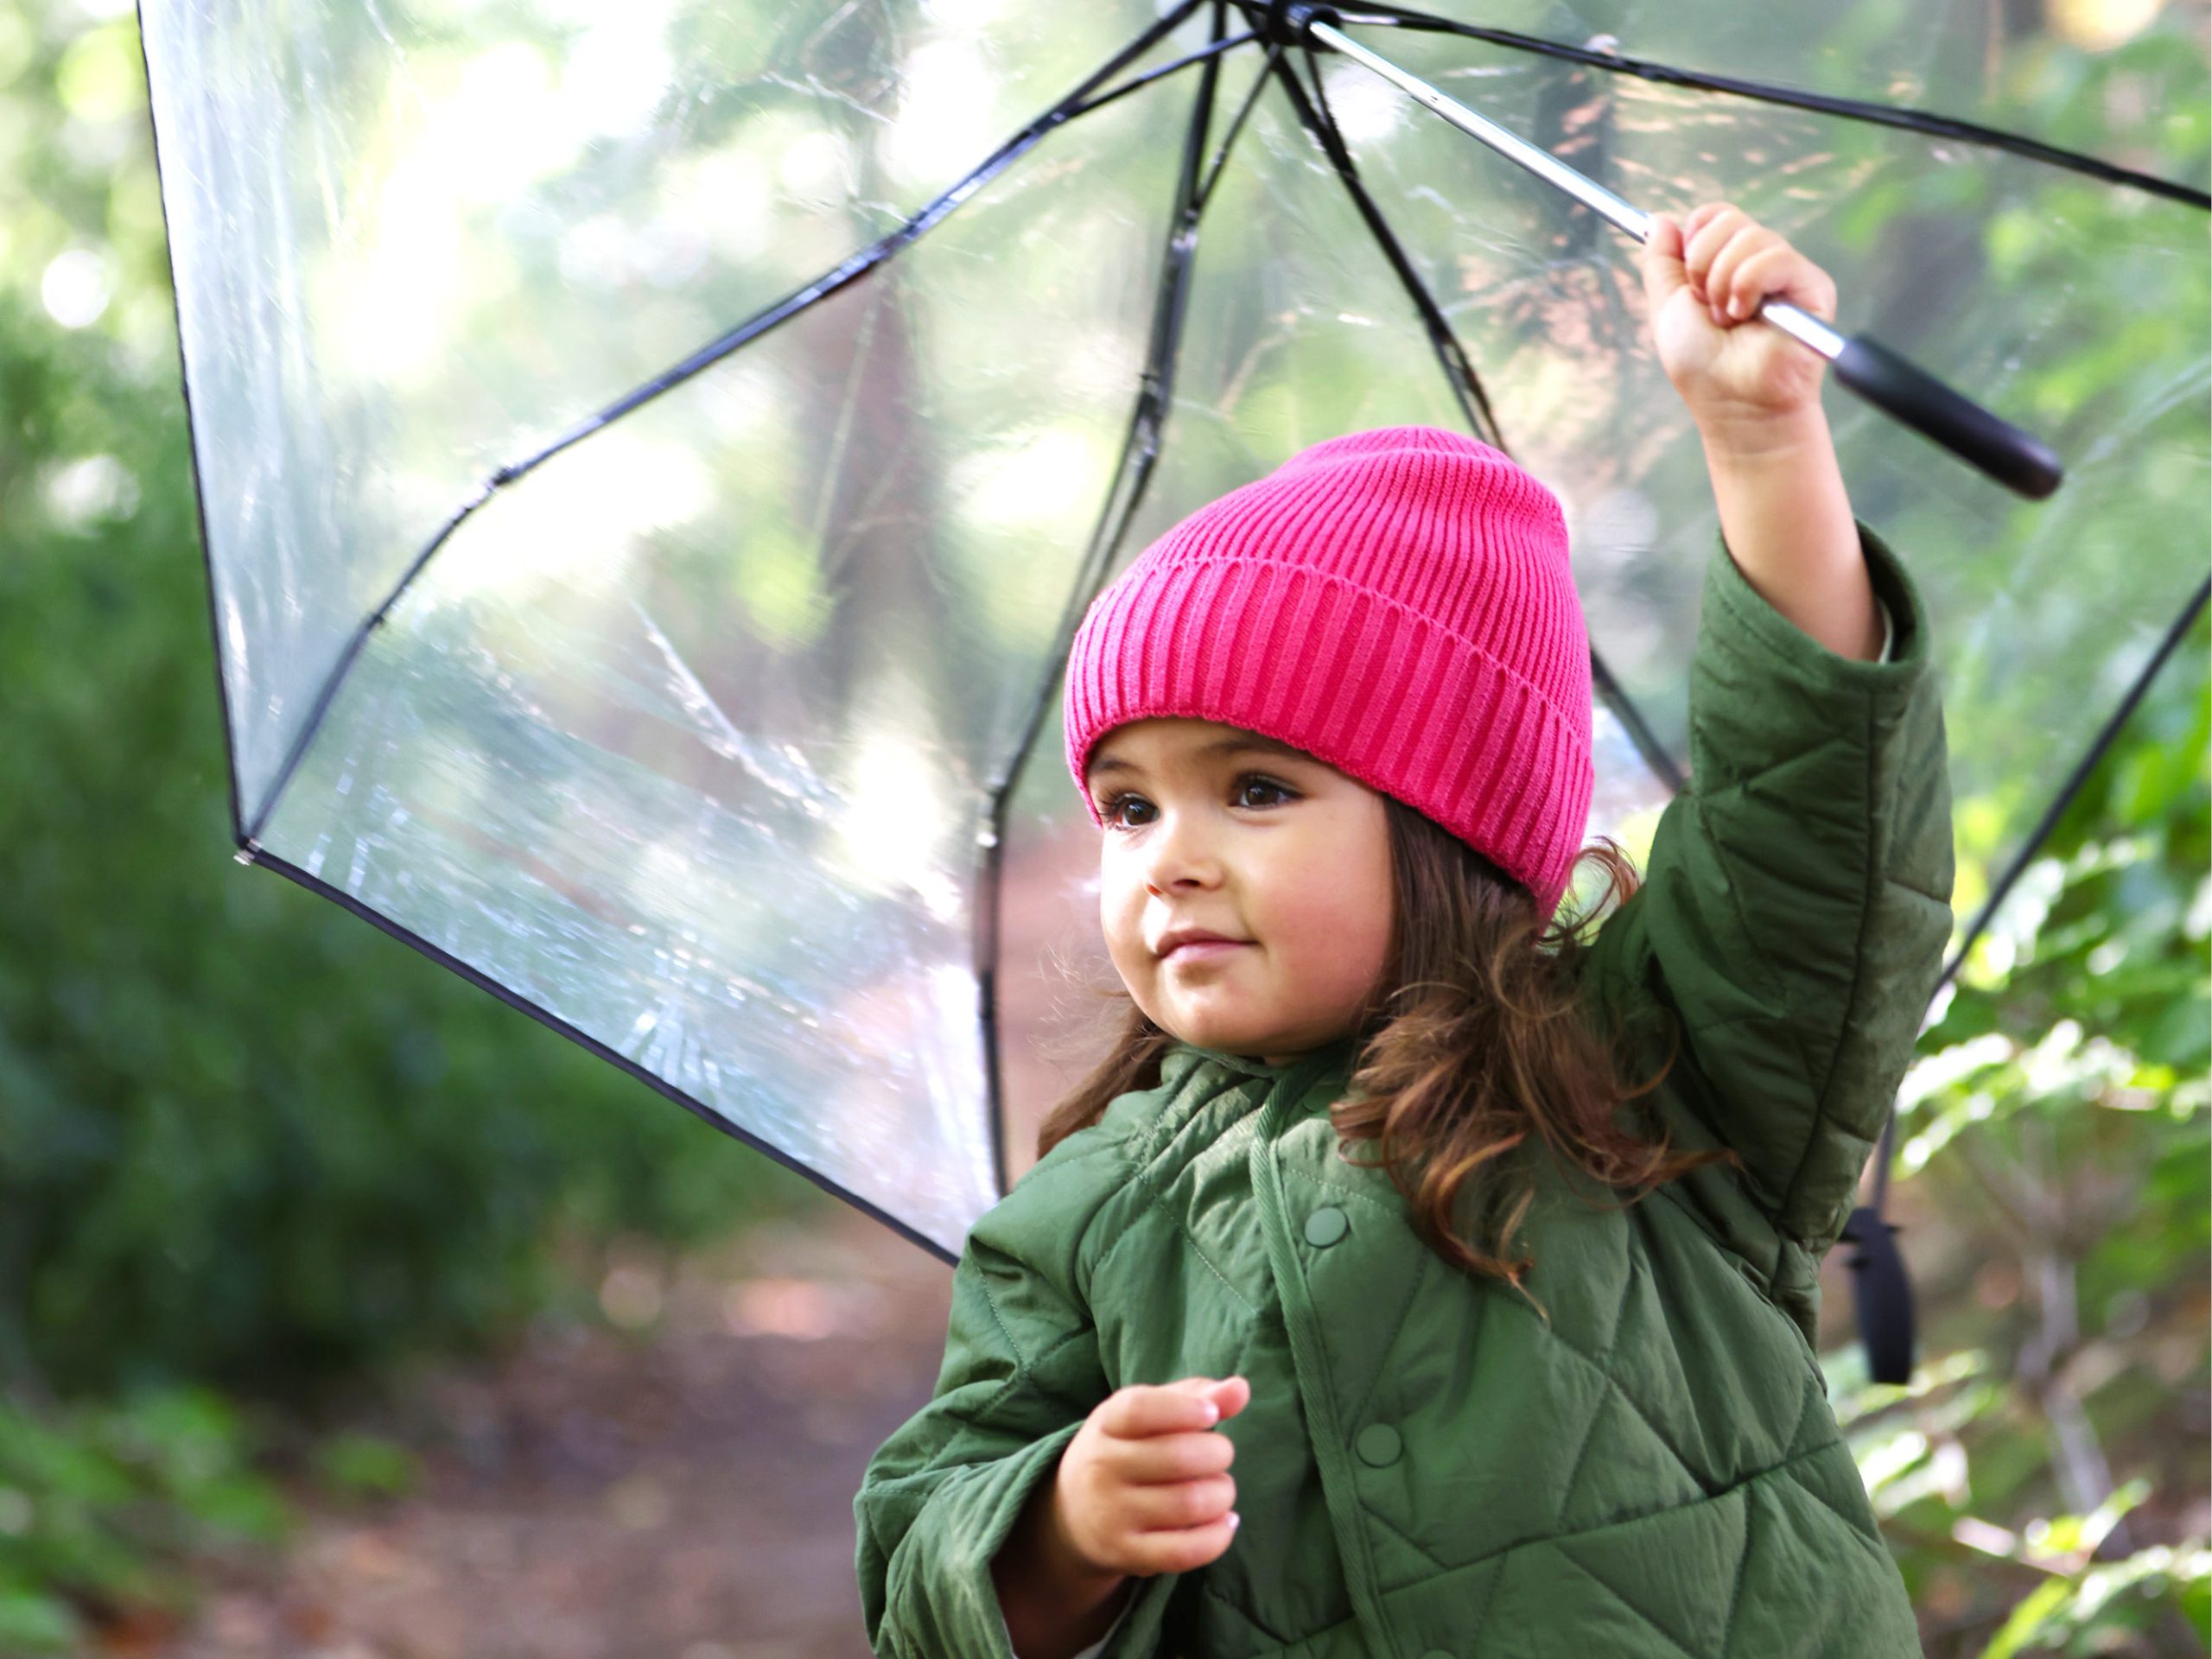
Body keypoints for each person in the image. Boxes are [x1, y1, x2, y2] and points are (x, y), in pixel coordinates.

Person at [853, 201, 1952, 1657]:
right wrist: (1055, 1527)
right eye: (1127, 809)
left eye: (1255, 789)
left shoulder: (1638, 1065)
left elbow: (1810, 830)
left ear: (1449, 822)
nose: (1169, 858)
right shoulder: (1079, 1220)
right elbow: (921, 1550)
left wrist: (1759, 443)